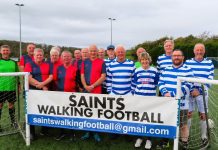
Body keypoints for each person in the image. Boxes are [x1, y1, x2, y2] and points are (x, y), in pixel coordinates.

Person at [158, 49, 193, 149]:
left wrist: (174, 94)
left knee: (183, 125)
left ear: (183, 57)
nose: (176, 57)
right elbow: (160, 82)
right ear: (171, 57)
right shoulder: (166, 69)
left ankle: (184, 143)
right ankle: (165, 141)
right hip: (167, 101)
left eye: (178, 55)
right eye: (174, 56)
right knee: (166, 122)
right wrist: (165, 92)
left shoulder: (188, 69)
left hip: (182, 103)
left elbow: (188, 85)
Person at [185, 43, 214, 146]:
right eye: (197, 50)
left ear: (204, 51)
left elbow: (210, 80)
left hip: (202, 93)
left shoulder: (209, 63)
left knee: (203, 115)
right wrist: (192, 90)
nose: (199, 52)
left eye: (201, 50)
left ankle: (203, 136)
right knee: (188, 114)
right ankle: (186, 137)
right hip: (190, 93)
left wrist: (199, 91)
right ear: (194, 51)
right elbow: (185, 77)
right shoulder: (188, 62)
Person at [24, 48, 53, 140]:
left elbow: (51, 76)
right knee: (32, 111)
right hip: (33, 91)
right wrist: (41, 86)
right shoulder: (29, 64)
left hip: (45, 91)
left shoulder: (47, 64)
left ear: (43, 56)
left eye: (41, 55)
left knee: (45, 110)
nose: (39, 56)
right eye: (37, 55)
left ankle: (44, 130)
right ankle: (31, 132)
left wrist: (43, 85)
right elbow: (28, 78)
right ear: (34, 56)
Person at [132, 52, 159, 149]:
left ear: (149, 60)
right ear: (140, 61)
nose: (144, 61)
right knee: (139, 119)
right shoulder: (137, 71)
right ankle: (139, 138)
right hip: (139, 98)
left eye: (146, 59)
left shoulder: (154, 71)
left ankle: (149, 139)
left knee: (149, 119)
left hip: (150, 99)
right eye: (142, 60)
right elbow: (134, 85)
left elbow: (156, 84)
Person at [80, 44, 106, 142]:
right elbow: (82, 75)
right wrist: (85, 86)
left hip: (96, 90)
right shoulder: (84, 62)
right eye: (91, 51)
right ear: (89, 52)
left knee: (95, 112)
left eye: (94, 51)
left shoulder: (102, 62)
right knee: (86, 111)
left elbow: (103, 76)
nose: (92, 53)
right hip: (86, 89)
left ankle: (95, 132)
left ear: (97, 51)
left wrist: (93, 86)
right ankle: (87, 132)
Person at [55, 51, 78, 141]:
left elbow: (77, 82)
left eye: (68, 56)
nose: (66, 58)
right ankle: (62, 132)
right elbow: (56, 80)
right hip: (60, 94)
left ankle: (73, 133)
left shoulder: (75, 69)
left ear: (71, 58)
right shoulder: (58, 68)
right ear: (61, 57)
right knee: (61, 114)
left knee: (72, 114)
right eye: (64, 56)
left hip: (72, 95)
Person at [0, 45, 19, 131]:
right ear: (1, 52)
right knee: (0, 105)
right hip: (1, 88)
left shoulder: (13, 62)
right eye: (4, 50)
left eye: (7, 50)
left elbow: (17, 75)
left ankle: (13, 122)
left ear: (9, 51)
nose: (5, 52)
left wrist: (18, 85)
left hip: (11, 88)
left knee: (11, 105)